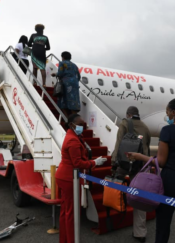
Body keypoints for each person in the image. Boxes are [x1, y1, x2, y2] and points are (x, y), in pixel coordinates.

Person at [128, 99, 175, 243]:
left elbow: (160, 161)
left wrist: (139, 156)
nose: (167, 116)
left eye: (167, 113)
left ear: (173, 112)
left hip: (171, 180)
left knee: (163, 224)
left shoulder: (168, 131)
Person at [56, 113, 107, 243]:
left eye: (83, 125)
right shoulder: (73, 140)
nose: (82, 127)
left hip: (64, 176)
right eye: (80, 125)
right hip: (69, 178)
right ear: (72, 125)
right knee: (71, 213)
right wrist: (95, 163)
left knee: (65, 211)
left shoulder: (73, 135)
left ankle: (65, 239)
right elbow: (77, 163)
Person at [111, 106, 151, 242]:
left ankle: (114, 220)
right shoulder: (145, 127)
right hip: (139, 166)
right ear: (137, 115)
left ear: (128, 115)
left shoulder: (124, 124)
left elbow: (118, 144)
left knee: (114, 189)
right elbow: (146, 147)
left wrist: (113, 162)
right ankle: (140, 233)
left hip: (123, 164)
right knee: (140, 199)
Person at [52, 51, 81, 118]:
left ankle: (67, 118)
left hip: (66, 84)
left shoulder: (62, 63)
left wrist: (55, 74)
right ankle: (75, 118)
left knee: (62, 101)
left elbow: (60, 73)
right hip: (75, 84)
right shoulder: (74, 65)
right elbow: (79, 76)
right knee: (73, 100)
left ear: (63, 57)